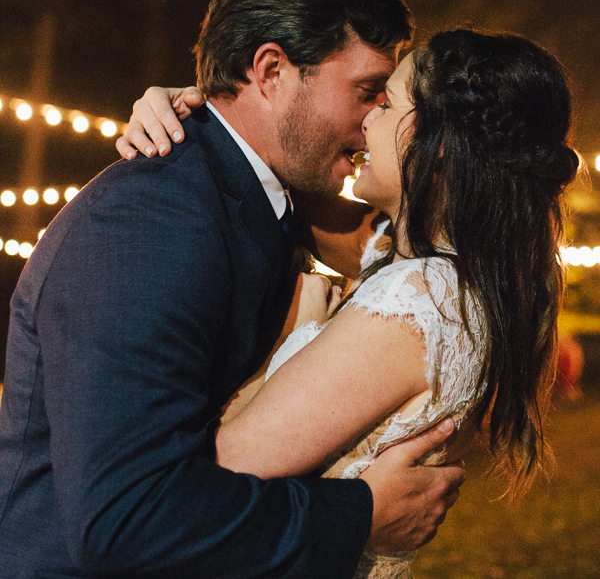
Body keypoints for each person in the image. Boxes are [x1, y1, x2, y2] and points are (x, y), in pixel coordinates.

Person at [0, 0, 465, 579]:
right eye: (366, 92)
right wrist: (358, 515)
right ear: (271, 71)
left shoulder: (263, 192)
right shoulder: (153, 219)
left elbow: (398, 239)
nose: (371, 125)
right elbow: (124, 519)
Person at [124, 28, 579, 578]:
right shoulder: (444, 270)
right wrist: (192, 117)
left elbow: (217, 471)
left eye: (386, 104)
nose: (366, 119)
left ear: (438, 144)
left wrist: (299, 327)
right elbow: (273, 174)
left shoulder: (418, 298)